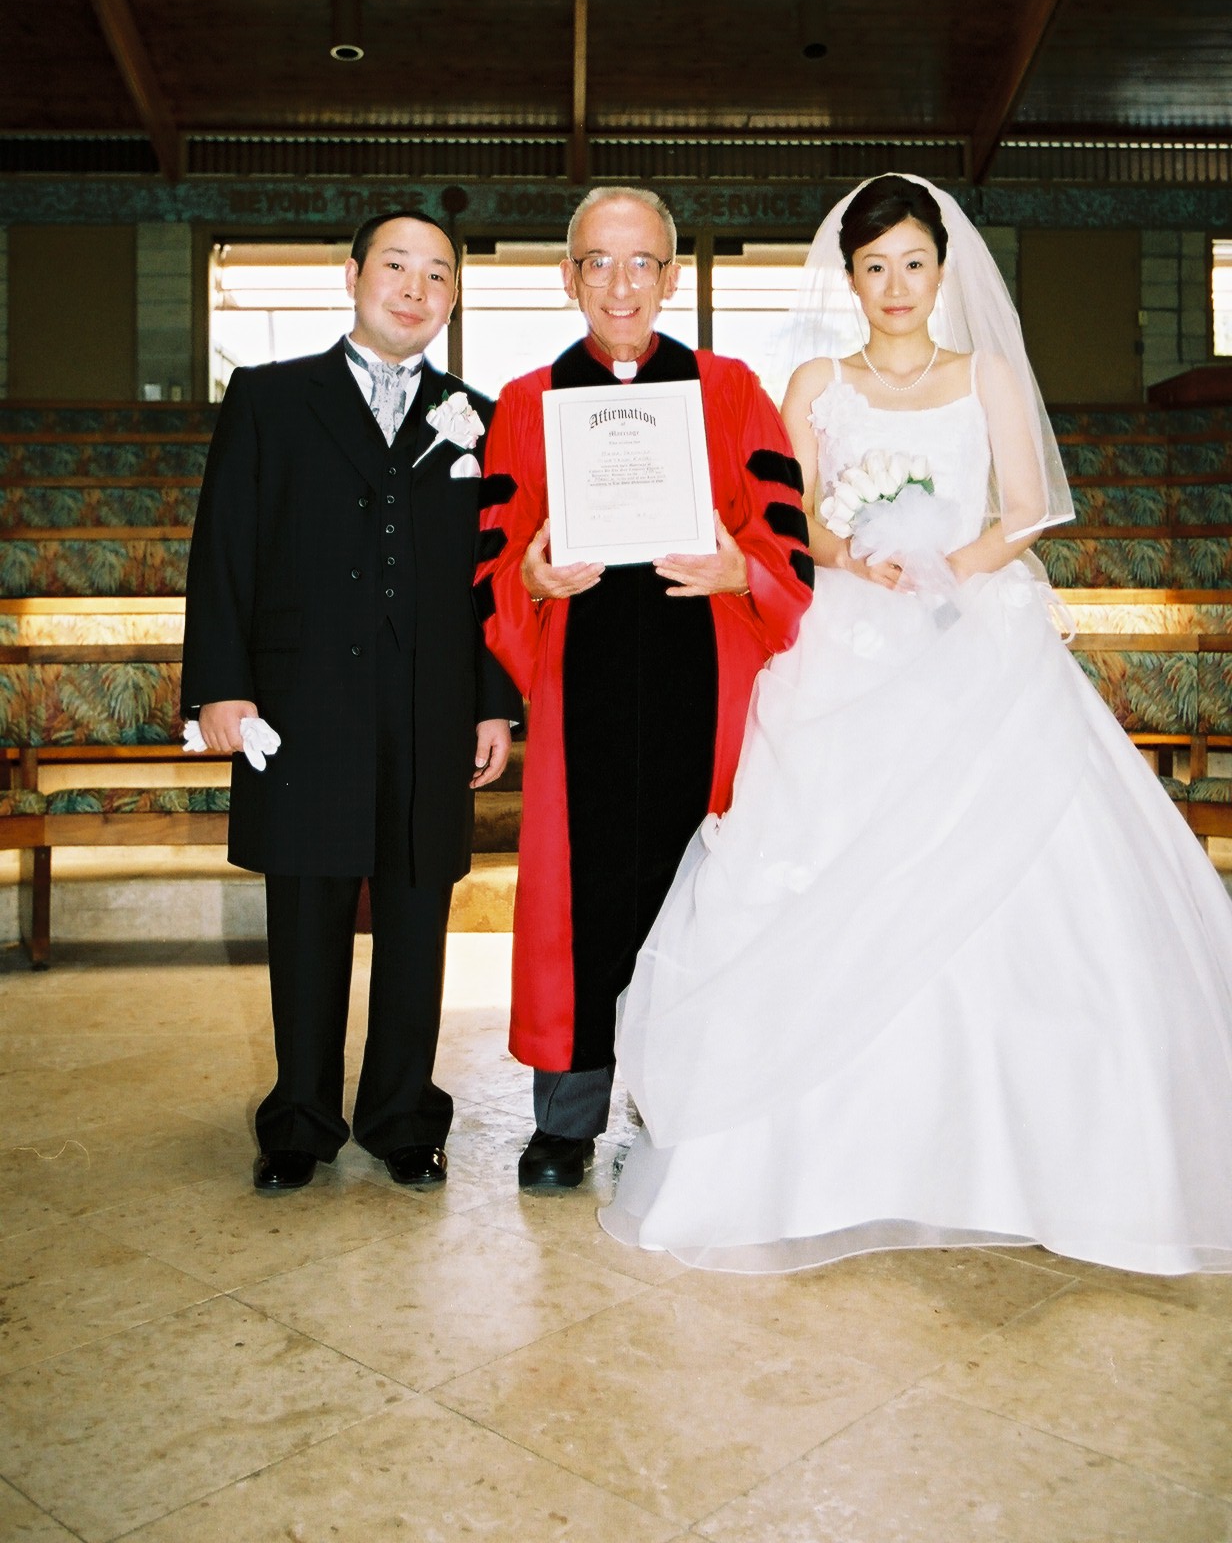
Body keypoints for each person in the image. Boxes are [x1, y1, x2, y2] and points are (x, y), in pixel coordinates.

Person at [601, 173, 1232, 1276]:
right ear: (848, 278)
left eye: (913, 264)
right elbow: (789, 514)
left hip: (971, 629)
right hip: (846, 633)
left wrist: (951, 563)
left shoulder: (985, 374)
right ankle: (814, 1159)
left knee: (1006, 868)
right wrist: (856, 554)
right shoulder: (815, 383)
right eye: (874, 267)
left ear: (943, 270)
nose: (895, 286)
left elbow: (1028, 508)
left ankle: (1016, 1159)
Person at [476, 185, 814, 1190]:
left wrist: (741, 572)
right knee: (577, 902)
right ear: (566, 275)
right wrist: (528, 579)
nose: (619, 284)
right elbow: (493, 557)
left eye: (640, 263)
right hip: (578, 690)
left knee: (695, 896)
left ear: (669, 277)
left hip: (703, 690)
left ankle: (683, 1112)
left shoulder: (732, 390)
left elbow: (784, 542)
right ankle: (566, 1121)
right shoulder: (525, 401)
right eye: (598, 261)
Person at [183, 211, 518, 1194]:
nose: (415, 288)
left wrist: (491, 703)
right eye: (396, 266)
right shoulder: (270, 397)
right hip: (302, 701)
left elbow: (489, 577)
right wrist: (220, 685)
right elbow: (224, 546)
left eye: (437, 274)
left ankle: (404, 1115)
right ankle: (299, 1119)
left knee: (417, 913)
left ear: (453, 296)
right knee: (307, 911)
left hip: (431, 703)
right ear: (352, 275)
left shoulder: (477, 415)